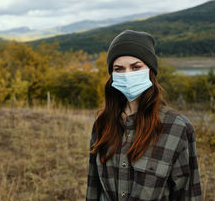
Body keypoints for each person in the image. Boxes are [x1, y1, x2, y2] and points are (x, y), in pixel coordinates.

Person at [86, 30, 202, 201]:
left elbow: (188, 193)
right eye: (119, 69)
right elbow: (93, 189)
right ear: (112, 75)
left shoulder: (177, 127)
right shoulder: (102, 124)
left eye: (136, 67)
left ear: (150, 70)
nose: (127, 75)